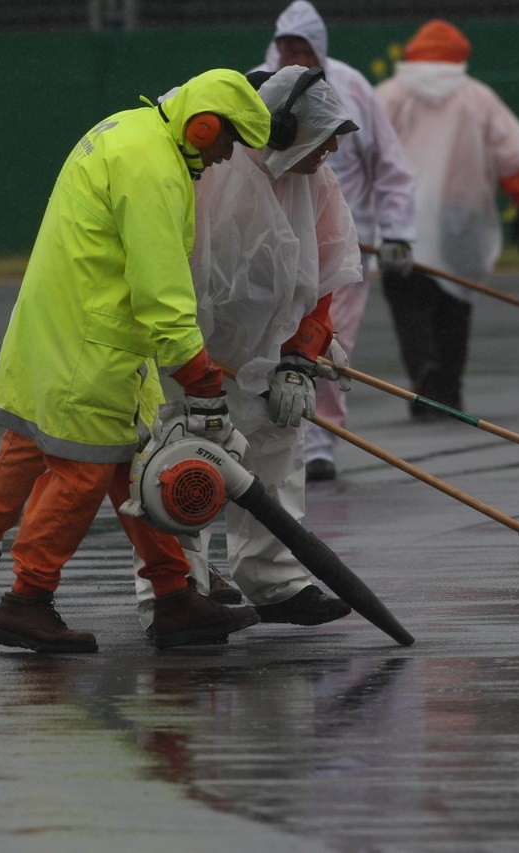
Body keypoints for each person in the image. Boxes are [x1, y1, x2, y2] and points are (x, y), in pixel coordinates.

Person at [0, 69, 273, 653]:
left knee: (136, 470)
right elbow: (160, 287)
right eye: (228, 142)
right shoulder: (151, 167)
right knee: (80, 476)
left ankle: (174, 597)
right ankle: (28, 600)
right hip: (90, 345)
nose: (228, 157)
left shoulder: (132, 134)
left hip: (86, 333)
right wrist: (198, 374)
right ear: (204, 125)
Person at [132, 65, 364, 631]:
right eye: (321, 142)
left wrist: (300, 357)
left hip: (268, 352)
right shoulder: (211, 166)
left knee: (278, 448)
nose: (328, 154)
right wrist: (183, 354)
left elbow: (324, 275)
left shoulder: (315, 178)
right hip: (193, 347)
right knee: (183, 457)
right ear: (281, 131)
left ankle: (276, 581)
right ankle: (178, 585)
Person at [255, 0, 417, 482]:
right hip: (269, 240)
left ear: (319, 48)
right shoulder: (257, 87)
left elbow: (389, 165)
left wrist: (398, 232)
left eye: (303, 48)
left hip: (342, 243)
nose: (294, 56)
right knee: (266, 339)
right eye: (288, 47)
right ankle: (268, 433)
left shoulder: (352, 88)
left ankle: (320, 438)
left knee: (326, 337)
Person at [374, 19, 519, 416]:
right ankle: (448, 389)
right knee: (456, 303)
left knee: (408, 298)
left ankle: (423, 368)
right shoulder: (478, 97)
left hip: (402, 217)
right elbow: (510, 156)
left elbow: (362, 149)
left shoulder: (388, 95)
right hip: (461, 216)